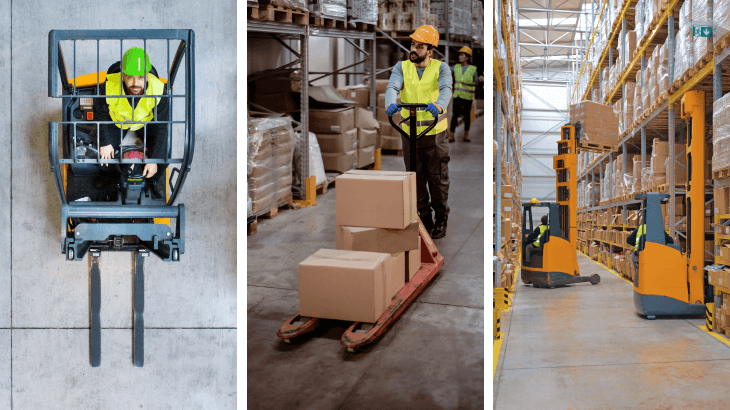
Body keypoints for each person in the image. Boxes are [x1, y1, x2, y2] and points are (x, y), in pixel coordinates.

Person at [385, 25, 453, 239]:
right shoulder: (401, 67)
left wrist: (440, 105)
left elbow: (446, 89)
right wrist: (390, 103)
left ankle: (441, 218)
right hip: (409, 134)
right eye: (413, 44)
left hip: (435, 134)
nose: (413, 49)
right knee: (415, 177)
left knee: (437, 178)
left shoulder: (441, 68)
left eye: (420, 46)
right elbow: (393, 87)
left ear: (430, 50)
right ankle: (424, 218)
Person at [92, 47, 169, 199]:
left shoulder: (159, 89)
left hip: (144, 125)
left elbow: (162, 125)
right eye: (130, 78)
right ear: (122, 75)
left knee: (162, 159)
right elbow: (100, 113)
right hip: (117, 123)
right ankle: (109, 179)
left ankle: (152, 181)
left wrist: (153, 160)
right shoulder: (109, 85)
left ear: (147, 76)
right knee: (102, 158)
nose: (135, 83)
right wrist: (105, 142)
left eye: (140, 77)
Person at [449, 46, 483, 143]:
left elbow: (476, 83)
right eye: (459, 55)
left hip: (467, 96)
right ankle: (451, 135)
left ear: (467, 57)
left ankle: (466, 135)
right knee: (455, 115)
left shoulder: (473, 69)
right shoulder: (455, 67)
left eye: (462, 55)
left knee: (467, 116)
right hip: (457, 95)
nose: (460, 57)